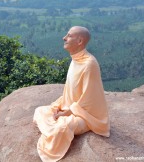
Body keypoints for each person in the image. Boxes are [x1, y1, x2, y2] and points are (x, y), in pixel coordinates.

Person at [33, 26, 110, 162]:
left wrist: (65, 113)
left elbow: (89, 101)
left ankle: (53, 131)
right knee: (40, 111)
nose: (64, 38)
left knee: (62, 128)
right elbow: (70, 92)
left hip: (86, 115)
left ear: (80, 41)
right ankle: (53, 128)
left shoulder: (89, 64)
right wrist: (58, 106)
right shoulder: (76, 60)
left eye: (68, 36)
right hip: (70, 108)